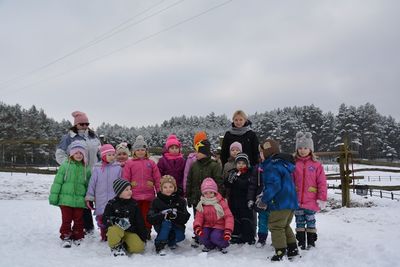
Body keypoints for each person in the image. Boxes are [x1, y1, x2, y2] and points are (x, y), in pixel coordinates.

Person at [55, 111, 101, 233]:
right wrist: (70, 165)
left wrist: (101, 166)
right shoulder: (68, 138)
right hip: (76, 174)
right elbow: (60, 154)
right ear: (76, 125)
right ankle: (81, 227)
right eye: (82, 124)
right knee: (80, 199)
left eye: (87, 124)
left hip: (92, 172)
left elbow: (100, 153)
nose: (85, 126)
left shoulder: (93, 137)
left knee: (89, 198)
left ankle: (89, 226)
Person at [257, 139, 299, 261]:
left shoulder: (271, 166)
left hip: (279, 202)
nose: (259, 155)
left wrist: (264, 199)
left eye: (261, 152)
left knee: (275, 226)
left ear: (267, 152)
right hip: (290, 202)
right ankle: (292, 249)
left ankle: (280, 251)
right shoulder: (282, 164)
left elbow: (274, 186)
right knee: (284, 226)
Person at [49, 140, 91, 248]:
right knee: (66, 219)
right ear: (71, 154)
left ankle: (78, 236)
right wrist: (54, 196)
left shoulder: (86, 169)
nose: (78, 155)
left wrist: (89, 198)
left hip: (79, 200)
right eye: (76, 153)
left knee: (78, 220)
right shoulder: (65, 166)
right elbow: (58, 182)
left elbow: (88, 185)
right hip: (65, 200)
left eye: (81, 153)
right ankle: (66, 236)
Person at [293, 132, 327, 249]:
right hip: (297, 200)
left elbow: (322, 183)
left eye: (305, 148)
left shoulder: (317, 165)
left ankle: (311, 242)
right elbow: (290, 181)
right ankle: (301, 241)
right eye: (300, 148)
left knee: (311, 221)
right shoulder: (294, 164)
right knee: (299, 221)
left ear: (310, 149)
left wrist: (322, 198)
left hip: (311, 200)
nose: (302, 150)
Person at [123, 135, 161, 239]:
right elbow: (125, 178)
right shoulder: (129, 163)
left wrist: (159, 191)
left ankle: (147, 231)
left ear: (146, 151)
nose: (140, 152)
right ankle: (136, 231)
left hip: (149, 195)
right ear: (134, 151)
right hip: (134, 195)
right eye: (138, 150)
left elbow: (157, 178)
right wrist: (128, 188)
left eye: (142, 150)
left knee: (147, 215)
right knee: (135, 215)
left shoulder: (151, 163)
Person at [186, 139, 223, 247]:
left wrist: (218, 197)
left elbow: (219, 182)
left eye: (198, 152)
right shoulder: (194, 165)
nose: (196, 154)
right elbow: (189, 181)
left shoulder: (214, 165)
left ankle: (210, 236)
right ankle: (198, 235)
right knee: (197, 218)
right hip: (196, 199)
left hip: (210, 200)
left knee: (210, 219)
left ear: (205, 153)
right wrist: (188, 195)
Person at [85, 144, 122, 241]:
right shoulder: (97, 168)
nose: (111, 157)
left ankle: (112, 234)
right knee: (101, 217)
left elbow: (121, 183)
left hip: (114, 198)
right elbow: (92, 184)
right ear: (103, 156)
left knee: (113, 216)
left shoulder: (118, 168)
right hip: (100, 198)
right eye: (109, 155)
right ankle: (103, 234)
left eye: (113, 155)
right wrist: (90, 197)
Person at [102, 178, 147, 256]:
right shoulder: (111, 204)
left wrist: (143, 237)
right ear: (119, 192)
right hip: (117, 230)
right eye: (126, 190)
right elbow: (105, 218)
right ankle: (116, 247)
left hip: (130, 231)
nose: (130, 191)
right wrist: (116, 220)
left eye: (130, 189)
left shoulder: (134, 204)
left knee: (138, 248)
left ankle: (124, 245)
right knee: (113, 230)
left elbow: (140, 221)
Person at [147, 175, 190, 255]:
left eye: (171, 186)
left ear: (175, 187)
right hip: (162, 226)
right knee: (167, 222)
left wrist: (176, 215)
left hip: (177, 225)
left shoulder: (181, 200)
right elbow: (150, 217)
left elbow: (186, 217)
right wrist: (163, 216)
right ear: (161, 188)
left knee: (180, 237)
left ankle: (170, 241)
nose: (168, 189)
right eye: (165, 187)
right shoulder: (156, 201)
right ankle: (160, 244)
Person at [193, 178, 234, 254]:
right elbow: (198, 217)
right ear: (203, 193)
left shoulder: (221, 202)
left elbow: (229, 216)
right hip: (207, 225)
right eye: (206, 193)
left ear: (215, 192)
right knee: (202, 237)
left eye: (211, 192)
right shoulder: (202, 204)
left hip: (219, 226)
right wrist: (197, 227)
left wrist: (228, 230)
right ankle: (210, 245)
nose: (208, 195)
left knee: (215, 237)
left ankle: (223, 244)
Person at [224, 153, 256, 244]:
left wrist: (236, 180)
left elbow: (246, 184)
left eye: (243, 163)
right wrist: (229, 180)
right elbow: (227, 184)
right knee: (235, 219)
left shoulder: (249, 173)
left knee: (246, 220)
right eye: (239, 163)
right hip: (234, 201)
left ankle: (248, 237)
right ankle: (236, 236)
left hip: (245, 201)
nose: (241, 165)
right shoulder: (233, 172)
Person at [183, 131, 207, 196]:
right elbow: (186, 174)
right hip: (194, 190)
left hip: (207, 191)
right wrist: (186, 189)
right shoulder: (191, 158)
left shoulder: (210, 158)